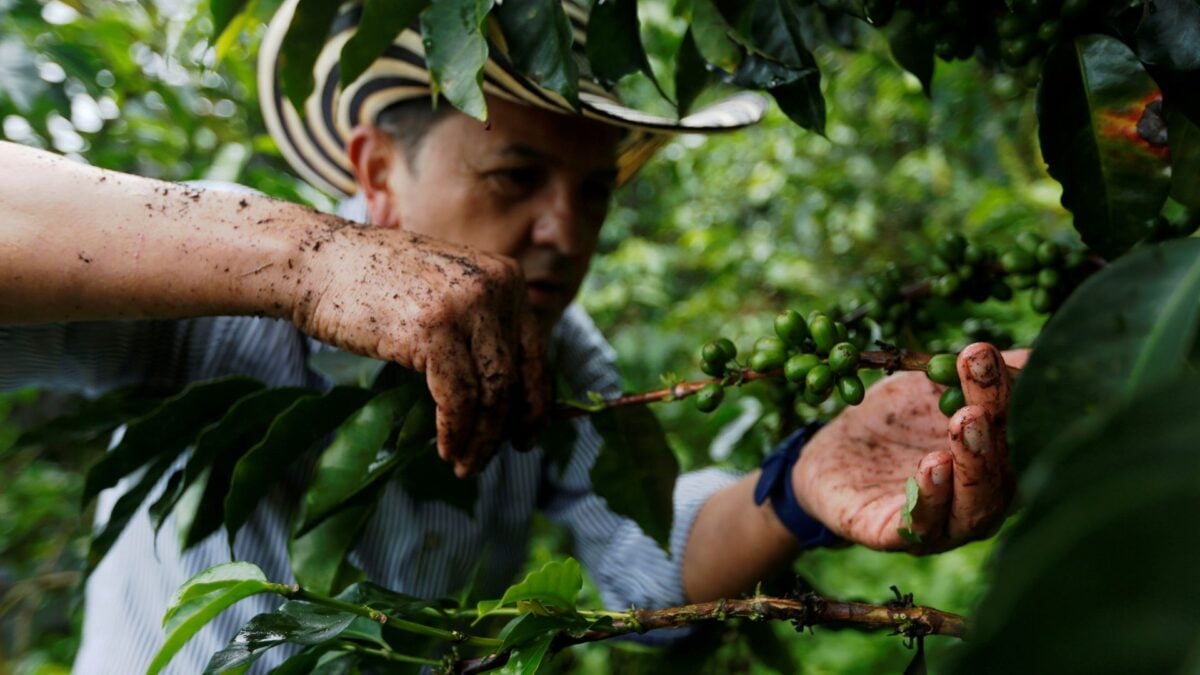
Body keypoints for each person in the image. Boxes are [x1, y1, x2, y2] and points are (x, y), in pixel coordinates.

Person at [0, 0, 1020, 671]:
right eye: (513, 178)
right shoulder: (221, 275)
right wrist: (305, 263)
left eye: (590, 191)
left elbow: (645, 565)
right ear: (376, 169)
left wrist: (798, 489)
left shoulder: (561, 359)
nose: (565, 232)